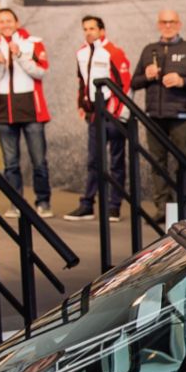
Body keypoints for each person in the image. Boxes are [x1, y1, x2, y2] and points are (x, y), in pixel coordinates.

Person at [128, 9, 186, 207]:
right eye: (164, 22)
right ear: (158, 24)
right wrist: (147, 76)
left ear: (179, 24)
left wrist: (182, 81)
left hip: (180, 116)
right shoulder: (149, 50)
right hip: (153, 116)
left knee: (183, 162)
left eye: (172, 22)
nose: (168, 26)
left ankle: (185, 206)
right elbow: (134, 82)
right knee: (157, 163)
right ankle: (163, 207)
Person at [65, 15, 131, 223]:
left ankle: (114, 206)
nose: (88, 32)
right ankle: (87, 205)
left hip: (114, 115)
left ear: (102, 31)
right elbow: (81, 81)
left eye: (92, 28)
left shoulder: (114, 52)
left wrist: (119, 113)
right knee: (94, 161)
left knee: (116, 162)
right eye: (85, 29)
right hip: (94, 115)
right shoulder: (81, 53)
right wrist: (82, 105)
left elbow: (125, 84)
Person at [0, 7, 53, 218]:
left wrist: (20, 56)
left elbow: (41, 71)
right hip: (4, 109)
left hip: (31, 109)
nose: (5, 25)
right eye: (1, 22)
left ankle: (43, 202)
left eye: (9, 21)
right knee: (10, 163)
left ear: (16, 22)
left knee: (39, 161)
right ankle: (15, 203)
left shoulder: (32, 43)